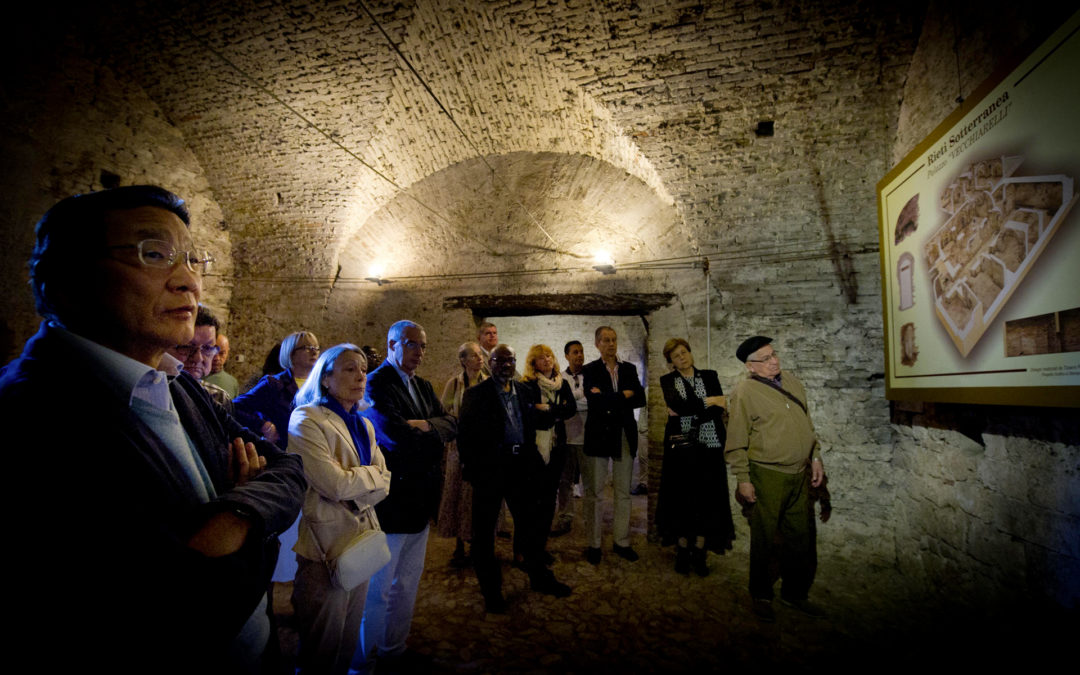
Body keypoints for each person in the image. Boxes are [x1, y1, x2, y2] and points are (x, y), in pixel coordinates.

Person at [0, 185, 305, 673]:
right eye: (155, 254)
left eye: (191, 259)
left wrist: (239, 513)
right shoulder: (33, 416)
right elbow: (169, 613)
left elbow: (288, 467)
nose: (189, 282)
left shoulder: (172, 382)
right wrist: (259, 530)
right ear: (68, 281)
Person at [356, 320, 457, 672]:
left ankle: (393, 649)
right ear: (392, 344)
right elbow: (395, 436)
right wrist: (430, 428)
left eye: (423, 346)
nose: (419, 352)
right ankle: (365, 661)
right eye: (412, 345)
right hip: (393, 501)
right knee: (379, 588)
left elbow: (452, 423)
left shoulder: (424, 386)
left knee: (408, 584)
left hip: (422, 496)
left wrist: (427, 426)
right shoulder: (375, 384)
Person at [288, 344, 391, 675]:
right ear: (326, 377)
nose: (361, 375)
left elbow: (386, 483)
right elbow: (330, 484)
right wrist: (368, 481)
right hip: (326, 545)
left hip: (360, 539)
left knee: (347, 643)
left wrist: (357, 485)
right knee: (321, 651)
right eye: (349, 368)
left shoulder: (365, 424)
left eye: (363, 369)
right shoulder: (306, 419)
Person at [458, 344, 572, 613]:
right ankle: (492, 591)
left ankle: (539, 577)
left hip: (521, 466)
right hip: (490, 469)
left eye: (510, 360)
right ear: (490, 363)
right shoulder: (477, 394)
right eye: (499, 360)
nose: (505, 365)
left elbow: (532, 424)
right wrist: (473, 471)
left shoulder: (523, 391)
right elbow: (465, 436)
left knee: (529, 526)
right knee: (484, 534)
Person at [726, 336, 826, 622]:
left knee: (800, 537)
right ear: (751, 366)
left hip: (798, 473)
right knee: (765, 538)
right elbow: (736, 441)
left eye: (774, 354)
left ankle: (794, 594)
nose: (775, 361)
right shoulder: (745, 392)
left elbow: (807, 424)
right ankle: (760, 593)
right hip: (767, 474)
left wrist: (816, 457)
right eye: (766, 358)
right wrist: (743, 479)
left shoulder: (792, 381)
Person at [656, 338, 735, 576]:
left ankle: (699, 551)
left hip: (709, 446)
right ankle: (682, 550)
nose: (682, 357)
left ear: (690, 353)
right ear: (671, 362)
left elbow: (705, 409)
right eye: (676, 356)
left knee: (706, 498)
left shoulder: (710, 376)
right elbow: (679, 404)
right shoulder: (667, 380)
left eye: (684, 352)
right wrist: (712, 400)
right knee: (681, 497)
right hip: (681, 448)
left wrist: (700, 407)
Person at [581, 326, 646, 564]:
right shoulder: (590, 370)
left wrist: (609, 397)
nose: (611, 344)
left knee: (623, 492)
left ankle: (622, 541)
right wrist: (623, 396)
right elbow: (595, 402)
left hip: (623, 435)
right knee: (595, 492)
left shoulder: (628, 369)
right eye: (606, 340)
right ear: (597, 343)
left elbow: (641, 397)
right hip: (598, 435)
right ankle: (594, 544)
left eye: (614, 340)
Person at [520, 344, 576, 561]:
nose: (547, 360)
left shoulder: (561, 384)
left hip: (556, 446)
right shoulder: (527, 385)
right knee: (533, 500)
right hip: (534, 448)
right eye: (541, 357)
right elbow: (527, 413)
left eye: (549, 356)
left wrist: (548, 409)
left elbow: (569, 409)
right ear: (533, 362)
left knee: (549, 497)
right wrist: (553, 412)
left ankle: (540, 547)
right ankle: (529, 547)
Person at [437, 341, 488, 567]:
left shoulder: (488, 383)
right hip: (459, 448)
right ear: (464, 360)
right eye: (475, 356)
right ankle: (459, 544)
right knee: (457, 493)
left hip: (482, 449)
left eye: (480, 355)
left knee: (476, 495)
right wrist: (459, 421)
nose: (480, 359)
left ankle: (477, 542)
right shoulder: (455, 384)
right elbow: (444, 411)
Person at [235, 330, 320, 448]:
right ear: (291, 353)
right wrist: (263, 425)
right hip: (283, 453)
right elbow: (236, 407)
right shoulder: (274, 384)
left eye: (316, 347)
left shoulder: (322, 386)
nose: (314, 352)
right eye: (307, 347)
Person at [553, 339, 587, 536]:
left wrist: (571, 403)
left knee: (590, 483)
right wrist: (578, 403)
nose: (579, 355)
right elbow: (562, 407)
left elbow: (594, 403)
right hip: (567, 437)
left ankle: (591, 519)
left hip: (587, 438)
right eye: (575, 352)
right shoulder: (560, 379)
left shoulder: (590, 376)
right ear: (567, 355)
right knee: (564, 482)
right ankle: (565, 517)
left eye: (581, 352)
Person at [167, 305, 231, 410]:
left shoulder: (219, 399)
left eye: (207, 347)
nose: (198, 358)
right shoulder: (155, 394)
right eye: (187, 346)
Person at [204, 332, 241, 398]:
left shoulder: (233, 383)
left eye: (222, 353)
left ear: (227, 353)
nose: (216, 358)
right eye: (213, 352)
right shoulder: (194, 377)